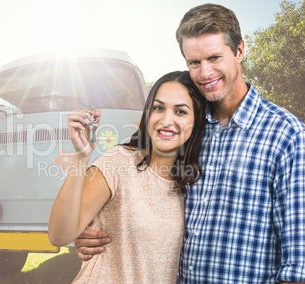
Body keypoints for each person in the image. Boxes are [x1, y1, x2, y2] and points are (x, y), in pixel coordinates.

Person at [74, 3, 305, 283]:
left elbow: (298, 261)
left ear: (239, 51)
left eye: (214, 58)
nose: (205, 73)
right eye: (194, 62)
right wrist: (93, 230)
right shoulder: (186, 129)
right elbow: (149, 198)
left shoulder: (286, 133)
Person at [48, 71, 206, 283]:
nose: (167, 120)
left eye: (180, 111)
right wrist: (81, 157)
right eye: (159, 108)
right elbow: (59, 235)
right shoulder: (118, 161)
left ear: (196, 121)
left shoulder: (190, 183)